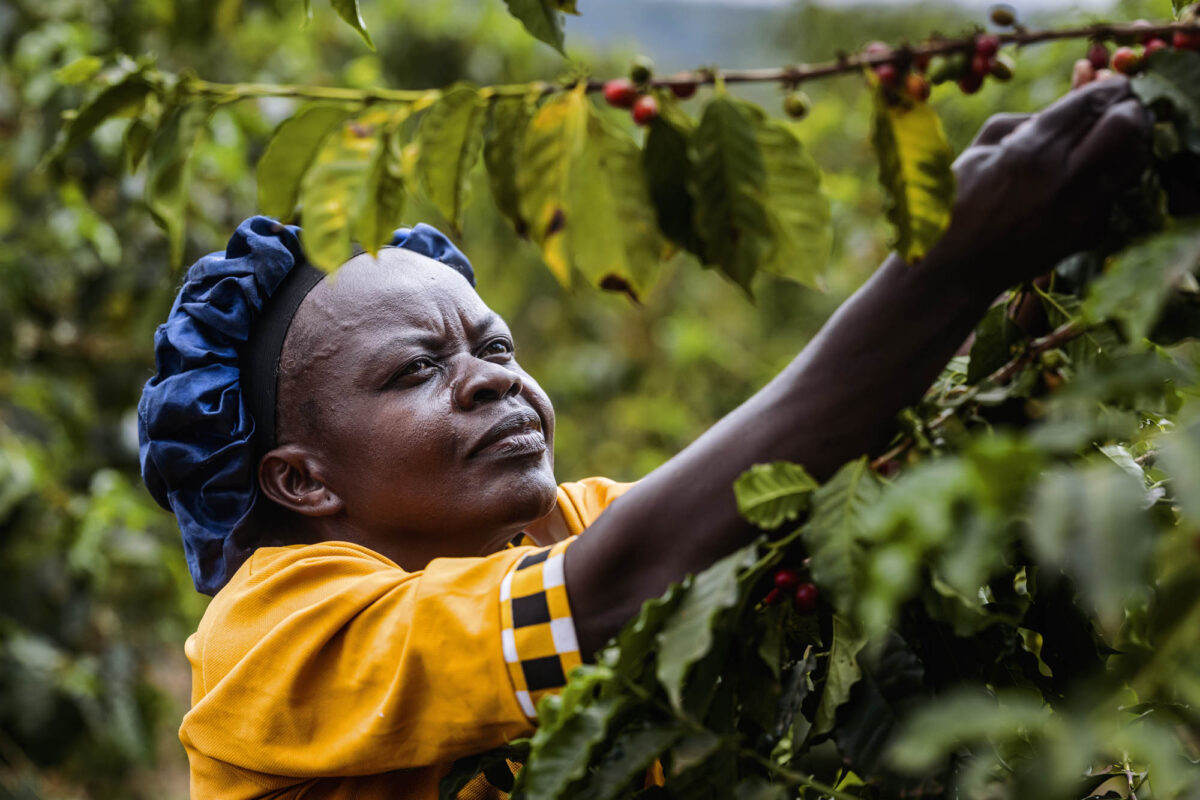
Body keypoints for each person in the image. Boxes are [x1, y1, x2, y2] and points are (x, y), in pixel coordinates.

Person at [136, 78, 1149, 798]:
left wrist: (1049, 262)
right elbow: (625, 576)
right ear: (301, 481)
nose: (494, 377)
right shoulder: (269, 638)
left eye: (497, 345)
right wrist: (946, 265)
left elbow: (798, 477)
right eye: (416, 370)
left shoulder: (554, 529)